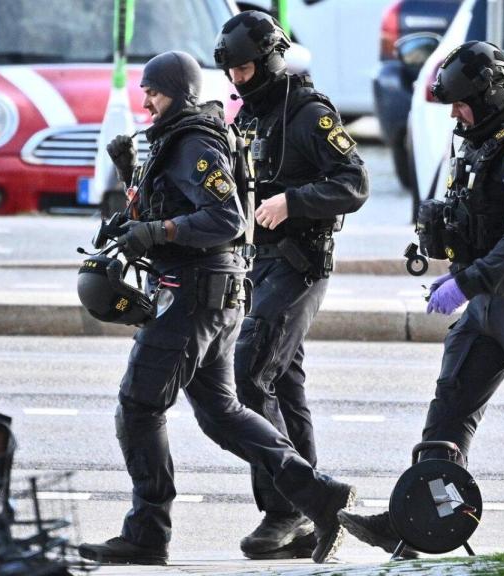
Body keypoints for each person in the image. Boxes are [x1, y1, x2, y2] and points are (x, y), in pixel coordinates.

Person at [76, 51, 356, 566]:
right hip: (207, 292)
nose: (146, 101)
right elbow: (174, 206)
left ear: (177, 92)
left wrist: (157, 232)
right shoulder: (179, 139)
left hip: (192, 294)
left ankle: (147, 532)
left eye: (153, 92)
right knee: (222, 415)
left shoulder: (195, 142)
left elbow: (227, 218)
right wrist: (129, 184)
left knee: (140, 407)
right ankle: (320, 496)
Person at [338, 41, 504, 554]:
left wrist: (467, 282)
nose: (456, 114)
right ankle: (413, 521)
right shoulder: (487, 139)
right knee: (450, 405)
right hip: (489, 302)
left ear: (492, 94)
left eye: (461, 103)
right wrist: (460, 270)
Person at [212, 11, 370, 560]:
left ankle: (286, 509)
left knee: (250, 375)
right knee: (285, 387)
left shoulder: (308, 113)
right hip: (258, 266)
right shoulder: (248, 116)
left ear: (271, 59)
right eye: (232, 70)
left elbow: (354, 182)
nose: (239, 78)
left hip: (300, 265)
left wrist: (293, 201)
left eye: (247, 67)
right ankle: (310, 509)